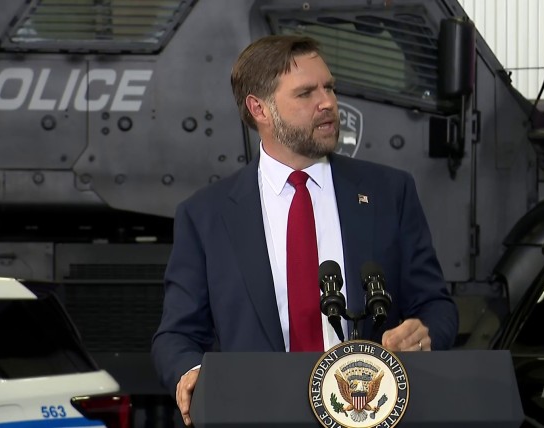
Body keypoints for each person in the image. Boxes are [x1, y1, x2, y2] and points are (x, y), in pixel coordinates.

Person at [151, 34, 458, 426]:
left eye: (329, 87)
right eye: (306, 93)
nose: (327, 102)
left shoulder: (389, 193)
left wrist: (423, 333)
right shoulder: (206, 216)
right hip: (255, 416)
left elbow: (436, 307)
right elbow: (176, 336)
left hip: (367, 412)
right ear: (259, 109)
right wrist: (192, 373)